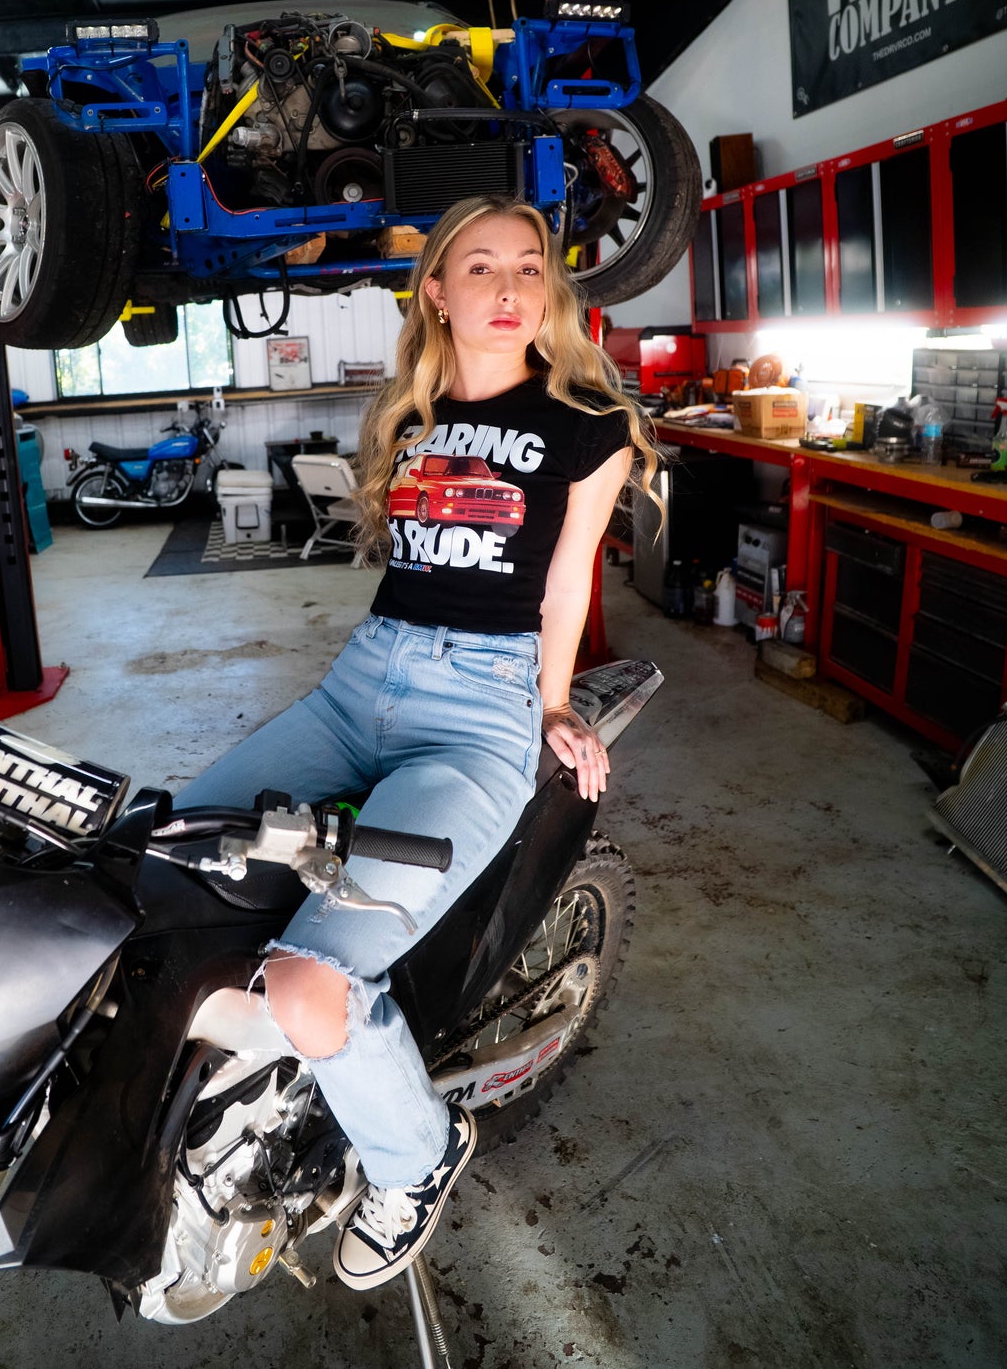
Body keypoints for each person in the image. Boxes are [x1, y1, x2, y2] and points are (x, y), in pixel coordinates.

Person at [172, 193, 658, 1291]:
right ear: (433, 291)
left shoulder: (586, 426)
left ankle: (418, 1151)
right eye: (477, 268)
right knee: (165, 854)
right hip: (362, 681)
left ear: (547, 289)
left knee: (308, 981)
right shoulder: (413, 410)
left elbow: (570, 572)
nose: (505, 289)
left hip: (477, 713)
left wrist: (550, 703)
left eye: (526, 268)